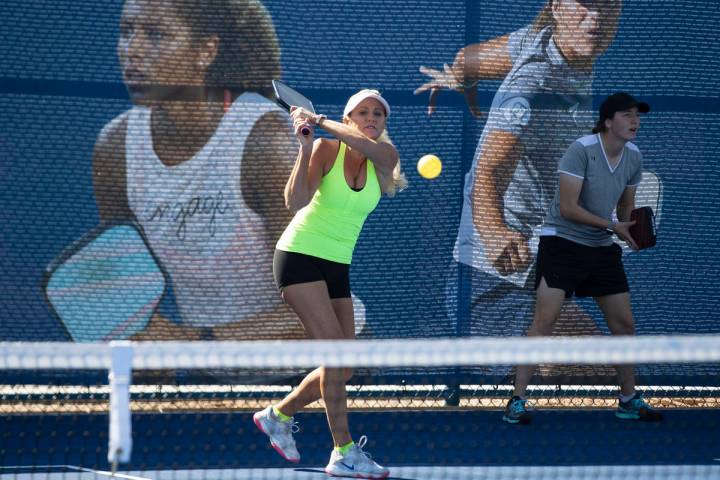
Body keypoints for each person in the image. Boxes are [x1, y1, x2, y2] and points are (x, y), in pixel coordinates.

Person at [417, 1, 639, 379]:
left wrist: (463, 81)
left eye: (607, 6)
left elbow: (468, 58)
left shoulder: (540, 41)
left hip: (541, 273)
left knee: (602, 372)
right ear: (556, 6)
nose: (596, 18)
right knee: (598, 374)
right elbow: (486, 171)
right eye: (583, 5)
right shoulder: (534, 85)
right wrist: (492, 231)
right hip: (495, 288)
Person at [92, 0, 307, 341]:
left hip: (324, 369)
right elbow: (128, 287)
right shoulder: (116, 147)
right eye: (126, 32)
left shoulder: (267, 144)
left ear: (206, 51)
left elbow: (319, 307)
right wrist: (142, 343)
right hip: (212, 377)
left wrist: (192, 344)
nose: (132, 50)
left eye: (156, 34)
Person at [253, 89, 406, 479]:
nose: (372, 118)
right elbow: (295, 203)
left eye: (378, 114)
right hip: (299, 255)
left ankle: (278, 414)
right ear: (349, 117)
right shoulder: (325, 149)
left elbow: (376, 150)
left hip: (338, 266)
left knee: (345, 366)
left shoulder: (385, 159)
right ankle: (344, 451)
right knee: (335, 358)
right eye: (363, 112)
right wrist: (305, 149)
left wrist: (318, 119)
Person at [504, 92, 663, 424]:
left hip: (600, 246)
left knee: (625, 324)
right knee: (545, 321)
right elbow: (568, 208)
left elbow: (624, 207)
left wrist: (630, 229)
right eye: (626, 115)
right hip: (561, 242)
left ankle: (628, 399)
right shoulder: (582, 150)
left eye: (637, 115)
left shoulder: (633, 156)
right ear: (608, 121)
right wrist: (612, 226)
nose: (634, 121)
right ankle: (516, 400)